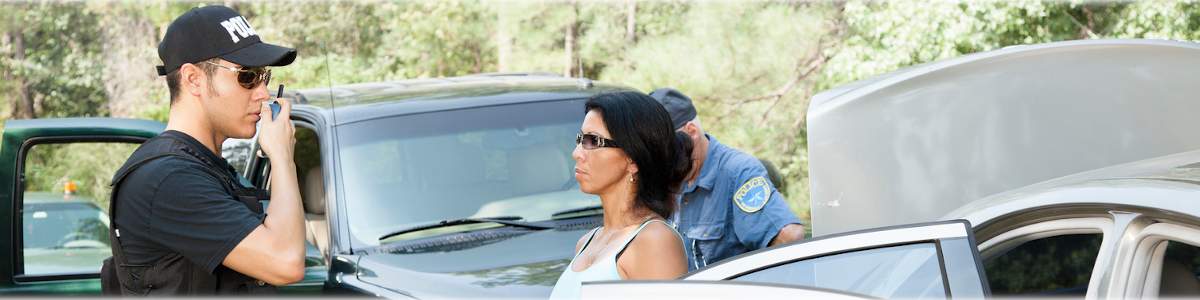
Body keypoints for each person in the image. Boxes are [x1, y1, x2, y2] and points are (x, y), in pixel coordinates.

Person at [101, 5, 303, 295]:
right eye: (247, 76)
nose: (262, 93)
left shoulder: (204, 167)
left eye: (264, 76)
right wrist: (282, 157)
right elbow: (286, 262)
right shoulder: (169, 179)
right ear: (193, 79)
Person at [550, 91, 695, 299]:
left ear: (633, 159)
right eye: (580, 139)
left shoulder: (654, 241)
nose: (576, 153)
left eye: (592, 141)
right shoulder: (585, 243)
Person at [649, 88, 806, 272]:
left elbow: (790, 238)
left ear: (691, 131)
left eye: (663, 147)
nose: (657, 157)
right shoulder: (668, 177)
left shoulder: (737, 173)